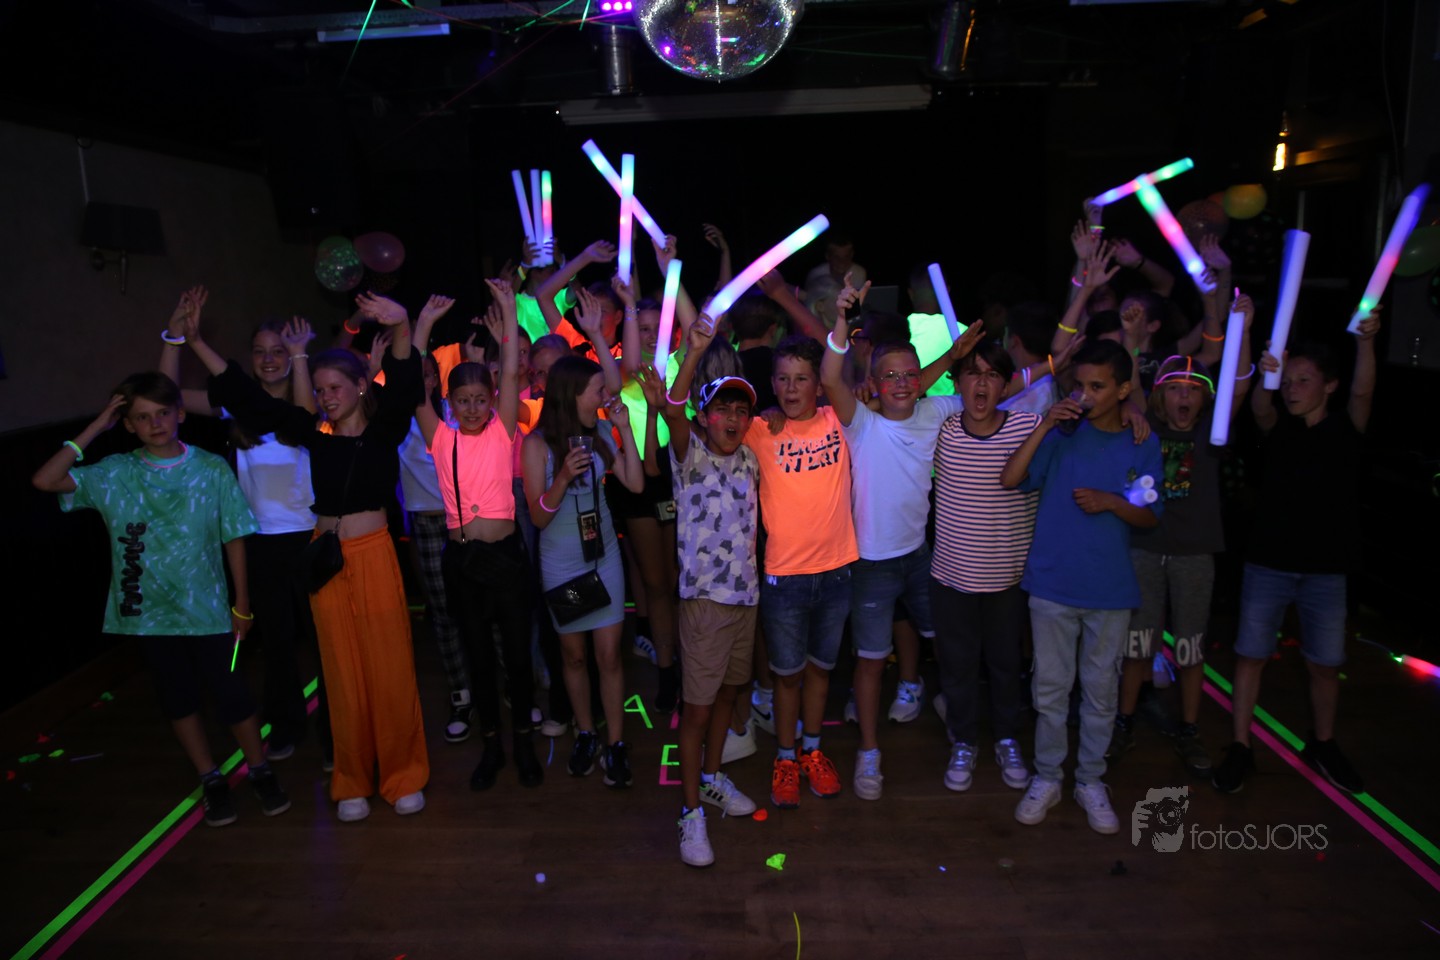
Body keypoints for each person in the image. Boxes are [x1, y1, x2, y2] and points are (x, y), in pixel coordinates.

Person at [186, 292, 429, 823]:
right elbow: (249, 400)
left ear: (360, 386)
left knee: (389, 669)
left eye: (335, 388)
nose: (326, 397)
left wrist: (403, 323)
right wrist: (196, 341)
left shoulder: (384, 431)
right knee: (341, 673)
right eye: (319, 390)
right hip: (327, 562)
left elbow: (406, 383)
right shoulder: (313, 437)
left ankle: (403, 774)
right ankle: (352, 779)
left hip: (374, 555)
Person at [32, 373, 291, 826]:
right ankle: (210, 777)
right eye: (142, 417)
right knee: (178, 699)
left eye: (163, 413)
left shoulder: (210, 468)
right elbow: (45, 479)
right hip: (150, 616)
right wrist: (95, 427)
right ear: (127, 424)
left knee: (233, 693)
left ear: (180, 414)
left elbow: (234, 536)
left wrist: (242, 604)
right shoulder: (116, 473)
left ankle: (259, 768)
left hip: (210, 613)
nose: (155, 424)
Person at [822, 276, 982, 799]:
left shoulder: (935, 409)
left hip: (920, 556)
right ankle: (869, 753)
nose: (901, 383)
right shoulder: (861, 423)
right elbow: (830, 378)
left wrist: (1052, 363)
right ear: (871, 381)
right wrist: (842, 319)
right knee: (870, 660)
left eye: (910, 375)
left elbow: (988, 391)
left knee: (947, 642)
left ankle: (959, 723)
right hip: (870, 563)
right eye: (888, 376)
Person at [157, 287, 328, 764]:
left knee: (325, 641)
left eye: (278, 351)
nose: (269, 359)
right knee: (277, 644)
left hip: (312, 536)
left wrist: (300, 356)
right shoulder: (236, 404)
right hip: (260, 542)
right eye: (260, 352)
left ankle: (337, 734)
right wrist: (174, 337)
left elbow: (301, 418)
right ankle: (287, 725)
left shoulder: (312, 397)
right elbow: (165, 397)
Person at [1213, 310, 1381, 795]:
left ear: (1330, 385)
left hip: (1326, 570)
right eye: (1287, 381)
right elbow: (1260, 405)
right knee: (1250, 656)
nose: (1292, 389)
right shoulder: (1278, 428)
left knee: (1325, 662)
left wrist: (1365, 343)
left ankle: (1323, 743)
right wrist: (1266, 370)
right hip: (1269, 564)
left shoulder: (1346, 428)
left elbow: (1363, 393)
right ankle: (1241, 747)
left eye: (1303, 381)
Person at [1001, 339, 1162, 835]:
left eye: (1098, 387)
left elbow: (1150, 515)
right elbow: (1011, 478)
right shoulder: (1062, 433)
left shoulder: (1141, 441)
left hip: (1109, 589)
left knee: (1100, 691)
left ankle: (1090, 779)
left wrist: (1112, 502)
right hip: (1052, 583)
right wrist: (1045, 424)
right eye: (1079, 385)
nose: (1085, 395)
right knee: (1050, 690)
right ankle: (1048, 776)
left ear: (1124, 390)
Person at [1111, 296, 1254, 779]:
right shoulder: (1145, 426)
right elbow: (1127, 385)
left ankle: (1189, 729)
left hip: (1195, 554)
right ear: (1161, 396)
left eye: (1194, 389)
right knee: (1137, 645)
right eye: (1175, 388)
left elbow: (1239, 386)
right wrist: (1131, 339)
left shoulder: (1213, 432)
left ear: (1205, 399)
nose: (1184, 397)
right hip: (1145, 549)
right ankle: (1124, 722)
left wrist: (1242, 328)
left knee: (1191, 647)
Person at [417, 279, 545, 792]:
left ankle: (524, 745)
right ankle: (492, 746)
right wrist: (423, 326)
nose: (471, 408)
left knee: (516, 655)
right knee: (477, 657)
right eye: (462, 401)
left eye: (479, 399)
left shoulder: (501, 431)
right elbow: (412, 385)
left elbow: (511, 370)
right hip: (464, 562)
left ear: (492, 400)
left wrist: (510, 311)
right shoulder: (440, 437)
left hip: (506, 559)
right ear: (449, 402)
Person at [644, 316, 761, 866]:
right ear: (703, 415)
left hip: (745, 602)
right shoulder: (689, 455)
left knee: (729, 697)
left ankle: (712, 779)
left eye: (741, 410)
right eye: (722, 409)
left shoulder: (751, 457)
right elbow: (672, 408)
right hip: (704, 606)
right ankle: (690, 813)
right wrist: (692, 352)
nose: (732, 419)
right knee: (695, 711)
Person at [743, 335, 857, 809]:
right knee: (787, 676)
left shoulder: (840, 421)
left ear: (819, 385)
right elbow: (701, 423)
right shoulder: (759, 430)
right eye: (783, 379)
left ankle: (812, 750)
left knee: (820, 671)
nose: (792, 389)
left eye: (802, 379)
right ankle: (786, 757)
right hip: (784, 578)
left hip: (837, 572)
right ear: (772, 384)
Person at [522, 354, 645, 787]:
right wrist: (560, 479)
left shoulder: (602, 435)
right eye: (597, 390)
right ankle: (586, 733)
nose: (604, 396)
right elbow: (538, 518)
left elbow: (636, 484)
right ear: (572, 395)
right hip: (563, 566)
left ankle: (616, 743)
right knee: (574, 656)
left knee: (608, 656)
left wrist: (624, 428)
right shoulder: (536, 446)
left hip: (603, 557)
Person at [930, 340, 1041, 794]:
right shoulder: (942, 430)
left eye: (992, 374)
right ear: (957, 383)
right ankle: (963, 740)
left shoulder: (1029, 427)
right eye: (972, 373)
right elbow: (890, 409)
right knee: (957, 667)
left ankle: (1007, 739)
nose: (981, 383)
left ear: (1006, 385)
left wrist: (1131, 410)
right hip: (951, 578)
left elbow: (1086, 419)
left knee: (1005, 664)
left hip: (1008, 581)